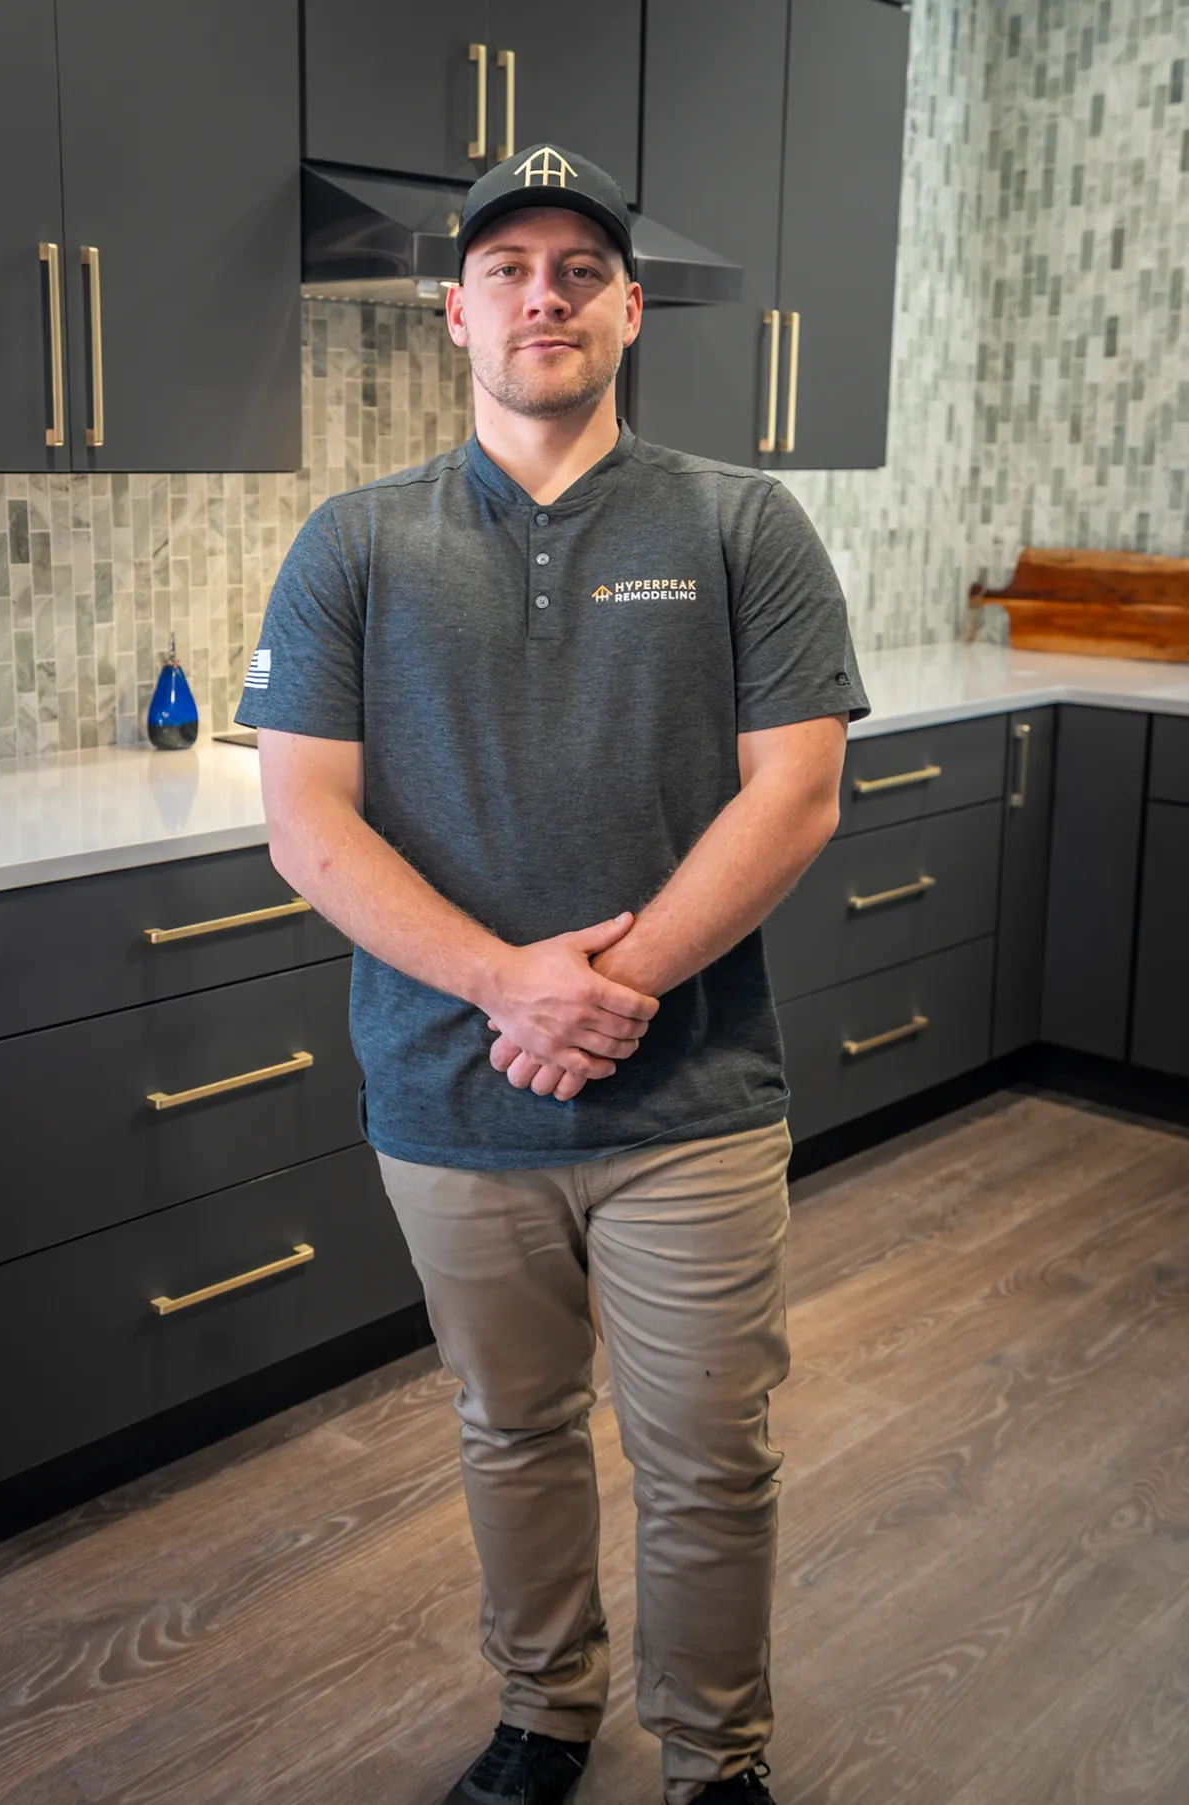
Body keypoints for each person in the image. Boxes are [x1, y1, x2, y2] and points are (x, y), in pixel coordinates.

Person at [235, 144, 870, 1805]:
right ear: (455, 312)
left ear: (629, 309)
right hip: (448, 1100)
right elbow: (306, 823)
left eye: (579, 271)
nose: (544, 295)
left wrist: (612, 990)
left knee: (707, 1462)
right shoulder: (354, 542)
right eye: (508, 269)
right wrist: (509, 987)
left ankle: (713, 1756)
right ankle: (543, 1711)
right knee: (506, 1432)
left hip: (693, 1099)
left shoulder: (741, 521)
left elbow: (793, 793)